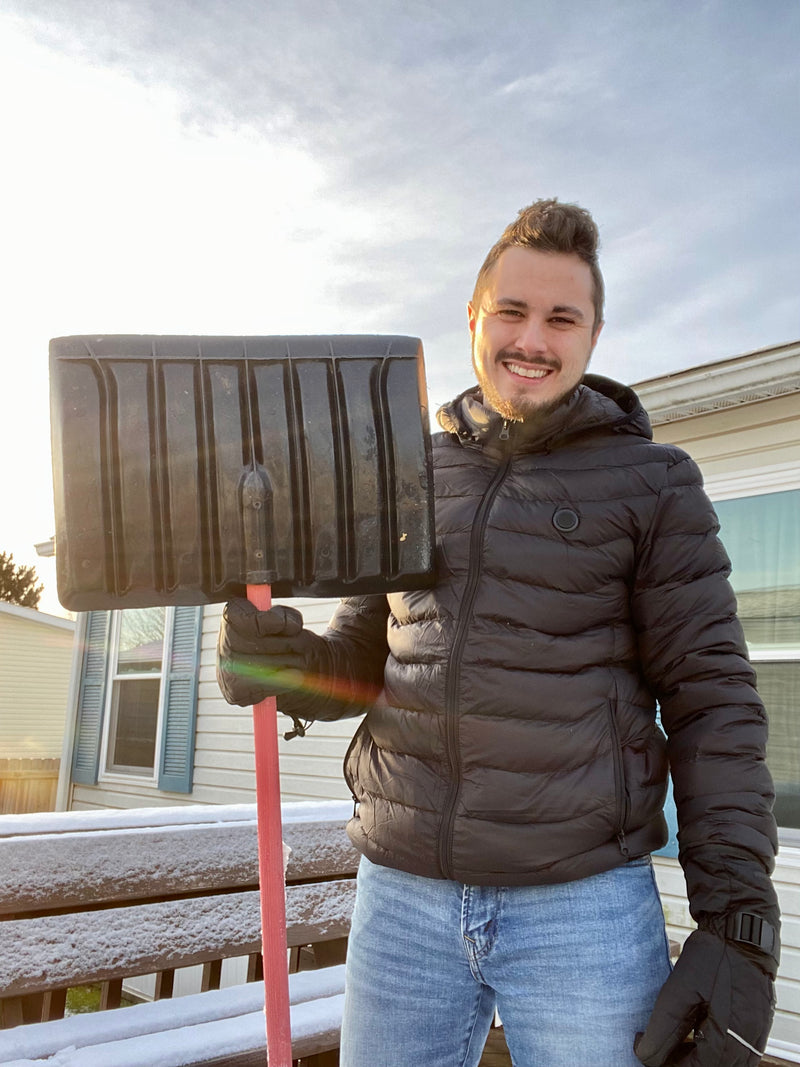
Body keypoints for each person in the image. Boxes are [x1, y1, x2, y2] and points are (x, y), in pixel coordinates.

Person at [217, 198, 779, 1067]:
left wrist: (737, 921)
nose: (533, 339)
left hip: (579, 906)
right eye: (512, 311)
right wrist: (285, 664)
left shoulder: (654, 482)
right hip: (401, 897)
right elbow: (367, 661)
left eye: (563, 317)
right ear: (474, 317)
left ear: (593, 336)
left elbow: (713, 699)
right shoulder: (410, 472)